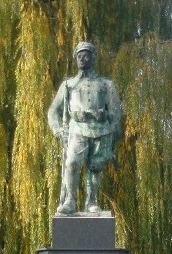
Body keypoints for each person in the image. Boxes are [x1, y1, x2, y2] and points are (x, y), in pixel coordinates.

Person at [47, 41, 122, 215]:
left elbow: (116, 113)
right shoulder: (68, 85)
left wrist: (109, 122)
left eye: (86, 55)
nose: (82, 58)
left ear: (93, 57)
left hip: (100, 130)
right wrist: (58, 129)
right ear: (75, 59)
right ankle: (70, 200)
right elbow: (53, 111)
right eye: (79, 56)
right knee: (72, 162)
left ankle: (91, 201)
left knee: (95, 167)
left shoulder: (106, 85)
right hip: (77, 129)